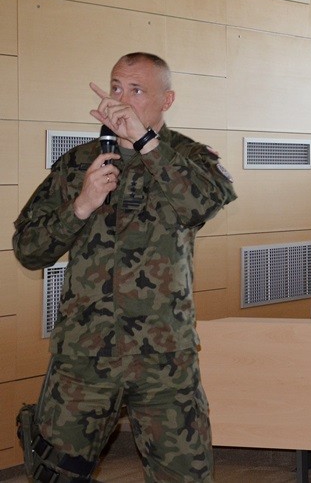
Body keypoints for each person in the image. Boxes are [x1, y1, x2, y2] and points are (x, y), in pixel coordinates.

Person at [13, 53, 237, 481]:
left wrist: (147, 142)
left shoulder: (189, 158)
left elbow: (202, 204)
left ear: (166, 100)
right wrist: (80, 206)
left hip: (164, 357)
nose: (121, 99)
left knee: (184, 476)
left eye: (136, 91)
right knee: (55, 473)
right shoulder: (78, 164)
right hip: (84, 355)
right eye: (116, 87)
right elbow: (28, 249)